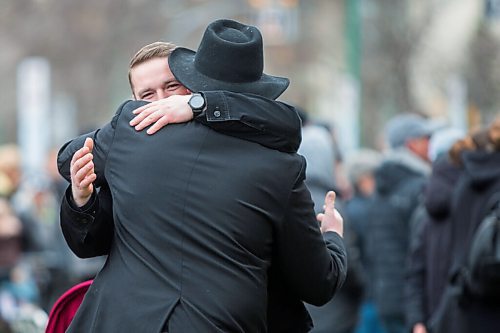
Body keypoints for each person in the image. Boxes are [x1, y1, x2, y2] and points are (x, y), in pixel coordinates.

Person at [57, 19, 347, 332]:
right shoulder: (280, 166)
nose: (162, 103)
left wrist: (202, 105)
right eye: (146, 95)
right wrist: (332, 235)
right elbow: (320, 282)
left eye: (171, 88)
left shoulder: (130, 132)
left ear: (191, 84)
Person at [365, 113, 435, 333]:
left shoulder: (381, 186)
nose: (430, 145)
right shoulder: (420, 186)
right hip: (413, 304)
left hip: (385, 297)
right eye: (426, 139)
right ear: (411, 144)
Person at [404, 127, 464, 333]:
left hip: (432, 319)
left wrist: (417, 321)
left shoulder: (425, 208)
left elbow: (415, 271)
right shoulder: (480, 202)